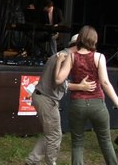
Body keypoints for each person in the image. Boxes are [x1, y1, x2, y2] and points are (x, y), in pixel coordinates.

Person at [55, 25, 118, 165]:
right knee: (105, 142)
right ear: (94, 40)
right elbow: (105, 83)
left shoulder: (71, 57)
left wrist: (58, 63)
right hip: (97, 104)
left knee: (77, 143)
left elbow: (58, 80)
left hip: (77, 104)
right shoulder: (99, 57)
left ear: (80, 39)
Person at [25, 34, 97, 165]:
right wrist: (80, 86)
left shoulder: (63, 55)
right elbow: (59, 82)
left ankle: (32, 160)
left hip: (44, 97)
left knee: (50, 132)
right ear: (78, 45)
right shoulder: (64, 57)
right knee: (54, 135)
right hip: (46, 99)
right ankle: (50, 162)